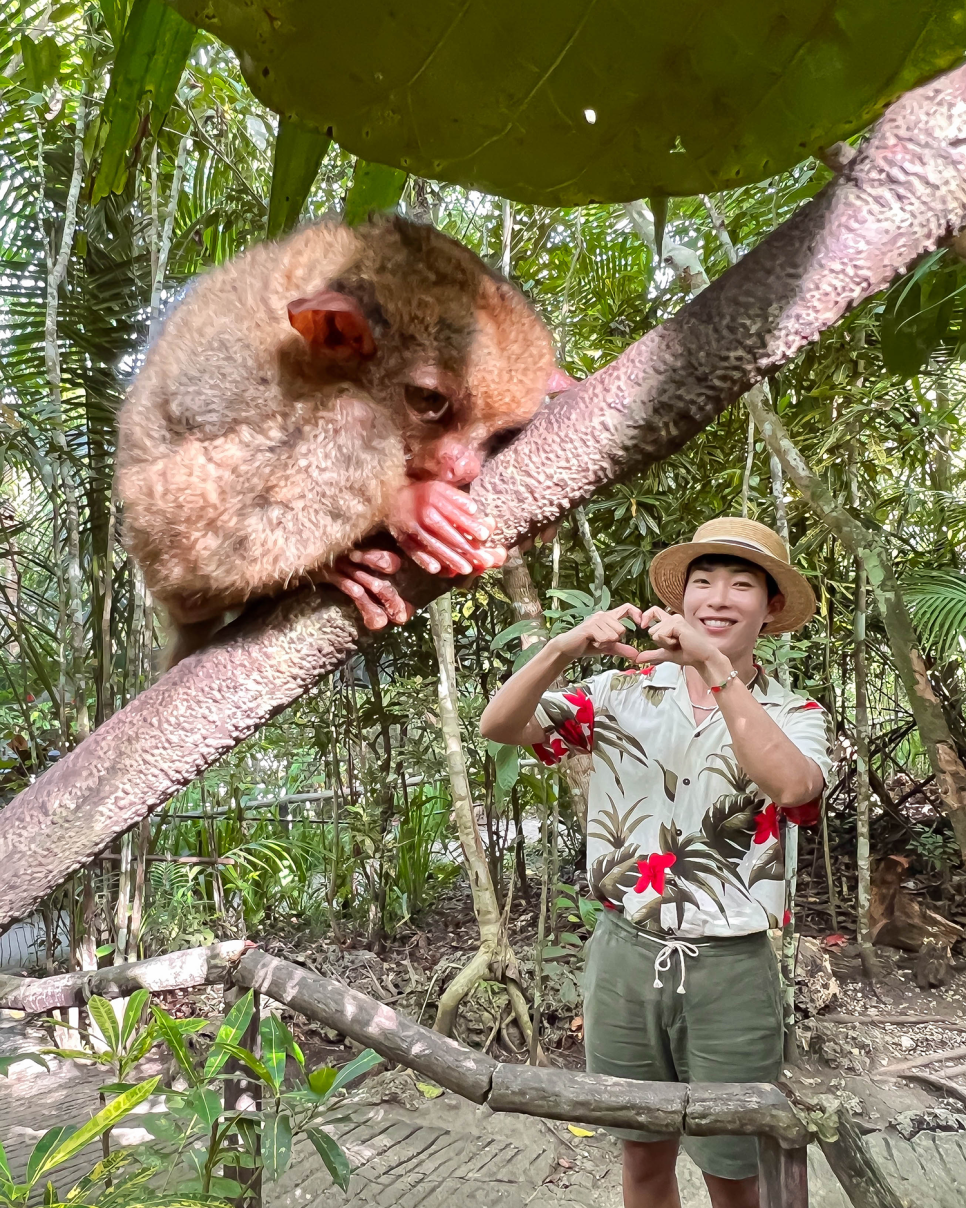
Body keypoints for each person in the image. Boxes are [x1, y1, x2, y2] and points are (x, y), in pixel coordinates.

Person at [480, 517, 832, 1208]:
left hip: (732, 969)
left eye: (740, 584)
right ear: (682, 601)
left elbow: (793, 788)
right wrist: (562, 646)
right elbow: (499, 725)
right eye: (703, 582)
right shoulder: (618, 694)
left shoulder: (795, 710)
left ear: (772, 608)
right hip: (624, 957)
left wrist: (716, 668)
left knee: (734, 1170)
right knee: (642, 1159)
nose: (718, 597)